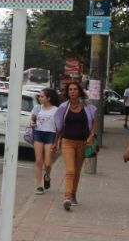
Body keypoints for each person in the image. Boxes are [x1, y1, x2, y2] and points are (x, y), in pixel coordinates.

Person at [53, 81, 97, 211]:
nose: (72, 91)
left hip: (83, 143)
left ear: (80, 91)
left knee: (77, 171)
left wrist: (91, 137)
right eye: (70, 90)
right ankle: (67, 197)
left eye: (75, 89)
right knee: (70, 170)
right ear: (67, 92)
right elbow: (59, 126)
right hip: (67, 142)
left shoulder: (87, 107)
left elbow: (94, 123)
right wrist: (55, 142)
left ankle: (73, 194)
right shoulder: (63, 107)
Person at [29, 87, 59, 194]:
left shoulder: (56, 110)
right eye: (39, 96)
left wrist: (56, 141)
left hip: (50, 134)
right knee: (38, 161)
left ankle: (48, 176)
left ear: (49, 98)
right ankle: (39, 185)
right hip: (38, 133)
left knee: (48, 163)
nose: (39, 98)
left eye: (42, 96)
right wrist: (32, 122)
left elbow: (59, 127)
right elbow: (32, 118)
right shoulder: (37, 108)